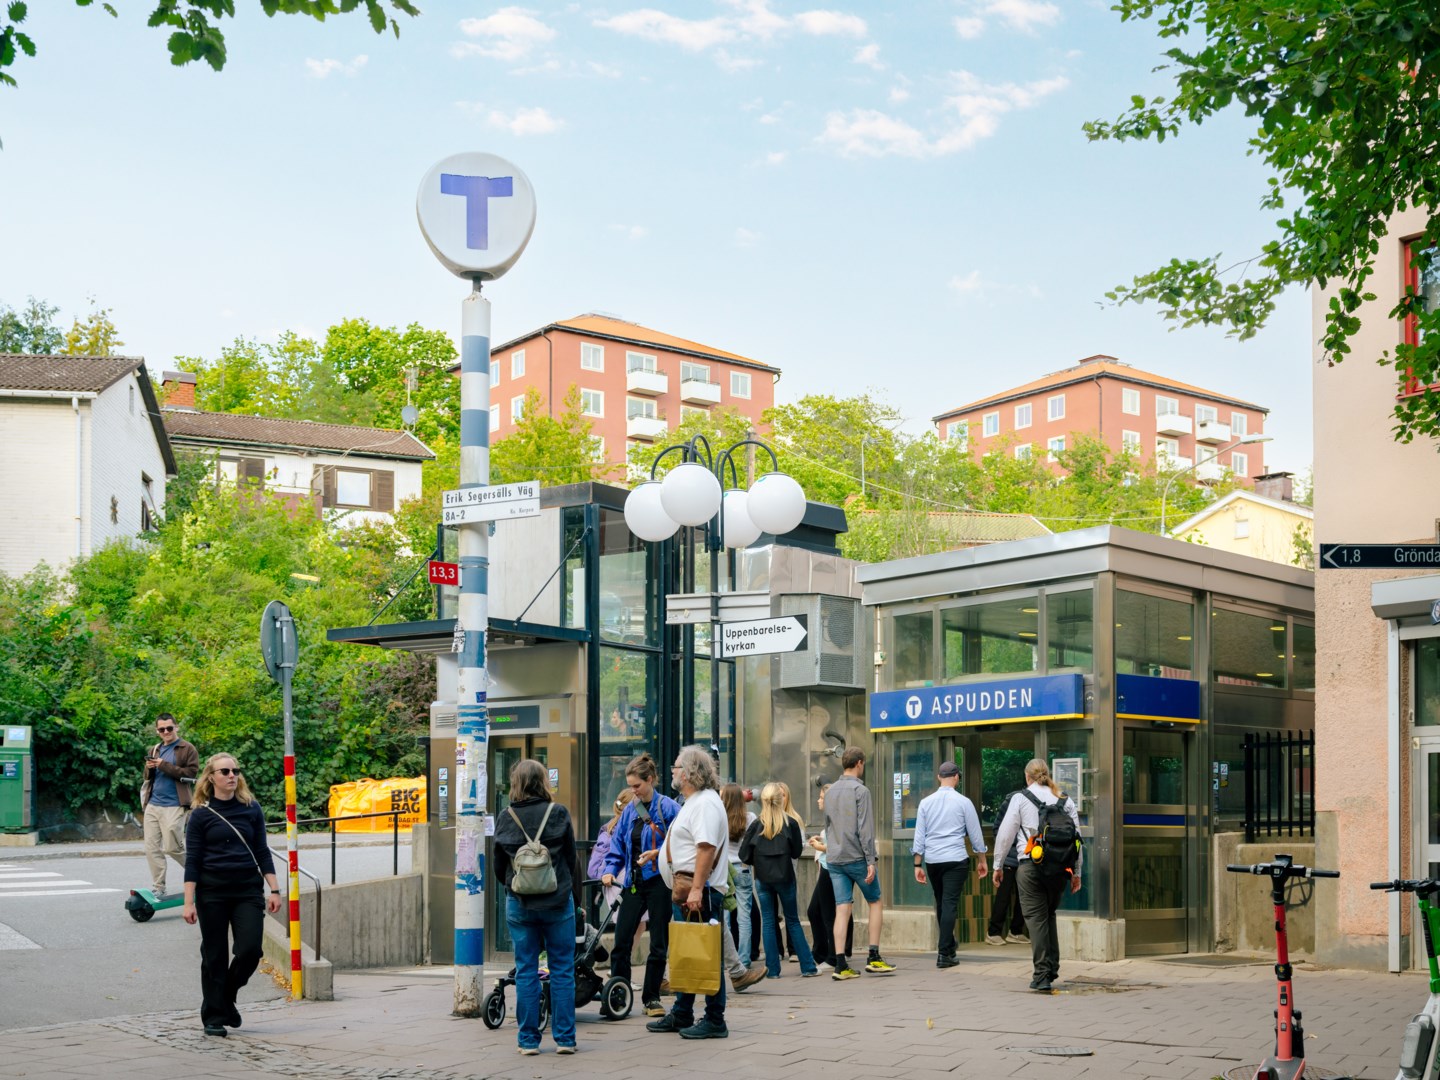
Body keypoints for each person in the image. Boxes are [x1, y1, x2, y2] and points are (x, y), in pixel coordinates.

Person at [181, 754, 281, 1037]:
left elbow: (262, 851)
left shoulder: (252, 809)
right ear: (210, 777)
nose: (231, 775)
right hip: (211, 892)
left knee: (250, 950)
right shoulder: (200, 814)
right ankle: (214, 1016)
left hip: (247, 890)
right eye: (224, 771)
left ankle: (225, 995)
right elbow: (193, 861)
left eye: (235, 770)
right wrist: (189, 901)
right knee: (214, 954)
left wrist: (274, 889)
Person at [494, 758, 579, 1056]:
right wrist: (575, 899)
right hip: (558, 901)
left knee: (527, 969)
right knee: (562, 969)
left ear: (516, 783)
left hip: (520, 903)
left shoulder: (505, 817)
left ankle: (528, 1041)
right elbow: (571, 859)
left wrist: (513, 889)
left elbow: (498, 866)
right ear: (543, 782)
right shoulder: (558, 813)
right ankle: (565, 1039)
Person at [649, 745, 730, 1040]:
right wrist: (660, 853)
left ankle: (715, 1019)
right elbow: (693, 842)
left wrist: (696, 889)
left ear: (689, 773)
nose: (672, 771)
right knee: (687, 952)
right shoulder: (695, 801)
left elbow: (706, 847)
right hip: (688, 890)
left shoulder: (705, 803)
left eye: (676, 766)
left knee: (706, 954)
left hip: (699, 892)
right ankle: (683, 1012)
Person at [992, 758, 1083, 993]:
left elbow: (1005, 835)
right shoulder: (1065, 800)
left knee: (1036, 918)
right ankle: (1052, 967)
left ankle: (1042, 974)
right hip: (1060, 868)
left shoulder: (1020, 799)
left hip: (1031, 866)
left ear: (1027, 776)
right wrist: (1077, 873)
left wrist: (998, 866)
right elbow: (1077, 839)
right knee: (1049, 914)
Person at [601, 752, 680, 1019]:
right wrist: (610, 871)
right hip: (634, 882)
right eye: (631, 786)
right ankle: (619, 994)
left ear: (651, 780)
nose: (633, 791)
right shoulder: (630, 812)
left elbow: (680, 842)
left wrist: (658, 855)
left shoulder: (668, 808)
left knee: (658, 942)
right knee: (622, 940)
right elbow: (617, 846)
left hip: (659, 882)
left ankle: (652, 998)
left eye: (637, 785)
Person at [911, 760, 989, 968]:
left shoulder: (926, 803)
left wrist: (917, 865)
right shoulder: (964, 802)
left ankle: (949, 945)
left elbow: (919, 836)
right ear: (956, 777)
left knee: (941, 902)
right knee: (950, 904)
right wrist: (982, 860)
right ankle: (944, 953)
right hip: (955, 859)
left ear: (939, 777)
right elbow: (975, 835)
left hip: (933, 860)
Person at [825, 747, 894, 979]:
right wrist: (871, 859)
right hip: (856, 857)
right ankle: (873, 956)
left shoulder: (831, 791)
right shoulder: (861, 791)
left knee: (842, 908)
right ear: (860, 763)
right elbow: (865, 829)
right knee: (875, 901)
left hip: (834, 858)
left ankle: (840, 963)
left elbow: (828, 825)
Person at [740, 783, 820, 978]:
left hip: (763, 878)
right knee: (793, 920)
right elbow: (796, 852)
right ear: (780, 799)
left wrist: (758, 860)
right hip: (785, 877)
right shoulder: (790, 823)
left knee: (768, 921)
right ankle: (808, 967)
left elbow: (744, 854)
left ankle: (773, 970)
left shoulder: (757, 824)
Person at [141, 713, 198, 899]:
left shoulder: (186, 748)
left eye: (169, 728)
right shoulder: (155, 749)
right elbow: (148, 777)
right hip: (153, 804)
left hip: (175, 804)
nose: (166, 732)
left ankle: (200, 875)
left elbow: (190, 774)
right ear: (157, 731)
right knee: (151, 848)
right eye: (162, 729)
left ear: (176, 727)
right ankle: (158, 886)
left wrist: (163, 765)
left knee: (173, 847)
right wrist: (149, 768)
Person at [720, 784, 765, 991]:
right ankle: (744, 960)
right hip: (744, 867)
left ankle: (725, 960)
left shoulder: (719, 816)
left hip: (724, 870)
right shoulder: (750, 818)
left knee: (725, 918)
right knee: (744, 915)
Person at [806, 782, 852, 970]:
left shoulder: (837, 820)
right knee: (814, 911)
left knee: (827, 913)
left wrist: (818, 846)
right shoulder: (831, 820)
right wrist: (820, 839)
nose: (818, 800)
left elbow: (837, 845)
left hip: (831, 868)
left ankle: (832, 955)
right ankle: (821, 952)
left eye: (822, 797)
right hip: (827, 867)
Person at [986, 786, 1029, 946]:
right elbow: (999, 829)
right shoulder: (1011, 800)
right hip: (1010, 857)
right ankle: (993, 932)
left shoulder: (1032, 800)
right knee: (1003, 896)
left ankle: (1016, 931)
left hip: (1023, 856)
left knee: (1024, 897)